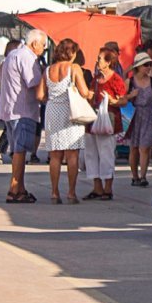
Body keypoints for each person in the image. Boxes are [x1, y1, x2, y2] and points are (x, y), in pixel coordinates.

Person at [38, 38, 94, 204]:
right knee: (72, 154)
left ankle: (54, 193)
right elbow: (83, 92)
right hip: (71, 111)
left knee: (55, 155)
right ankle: (71, 193)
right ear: (72, 53)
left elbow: (40, 95)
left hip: (52, 111)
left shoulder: (48, 70)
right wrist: (89, 94)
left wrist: (52, 97)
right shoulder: (74, 68)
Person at [0, 29, 48, 204]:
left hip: (10, 108)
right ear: (35, 43)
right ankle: (14, 188)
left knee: (18, 150)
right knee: (20, 151)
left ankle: (20, 187)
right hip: (23, 110)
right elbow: (34, 83)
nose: (43, 49)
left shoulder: (12, 54)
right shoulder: (27, 57)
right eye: (43, 45)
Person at [84, 48, 127, 201]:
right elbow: (90, 95)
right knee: (91, 153)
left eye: (100, 59)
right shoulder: (95, 79)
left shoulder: (116, 79)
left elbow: (123, 100)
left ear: (108, 63)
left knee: (106, 153)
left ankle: (107, 187)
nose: (97, 61)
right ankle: (97, 187)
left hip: (109, 120)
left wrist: (113, 101)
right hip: (93, 119)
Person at [124, 52, 152, 187]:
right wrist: (130, 95)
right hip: (134, 115)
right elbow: (122, 98)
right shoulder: (130, 81)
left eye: (150, 64)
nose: (148, 67)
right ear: (138, 66)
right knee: (134, 147)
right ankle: (134, 176)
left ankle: (143, 176)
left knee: (145, 147)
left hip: (149, 113)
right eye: (146, 65)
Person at [0, 40, 22, 162]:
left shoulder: (6, 63)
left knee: (10, 128)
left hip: (9, 100)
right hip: (11, 100)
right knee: (11, 129)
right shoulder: (8, 63)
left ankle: (6, 150)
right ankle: (2, 150)